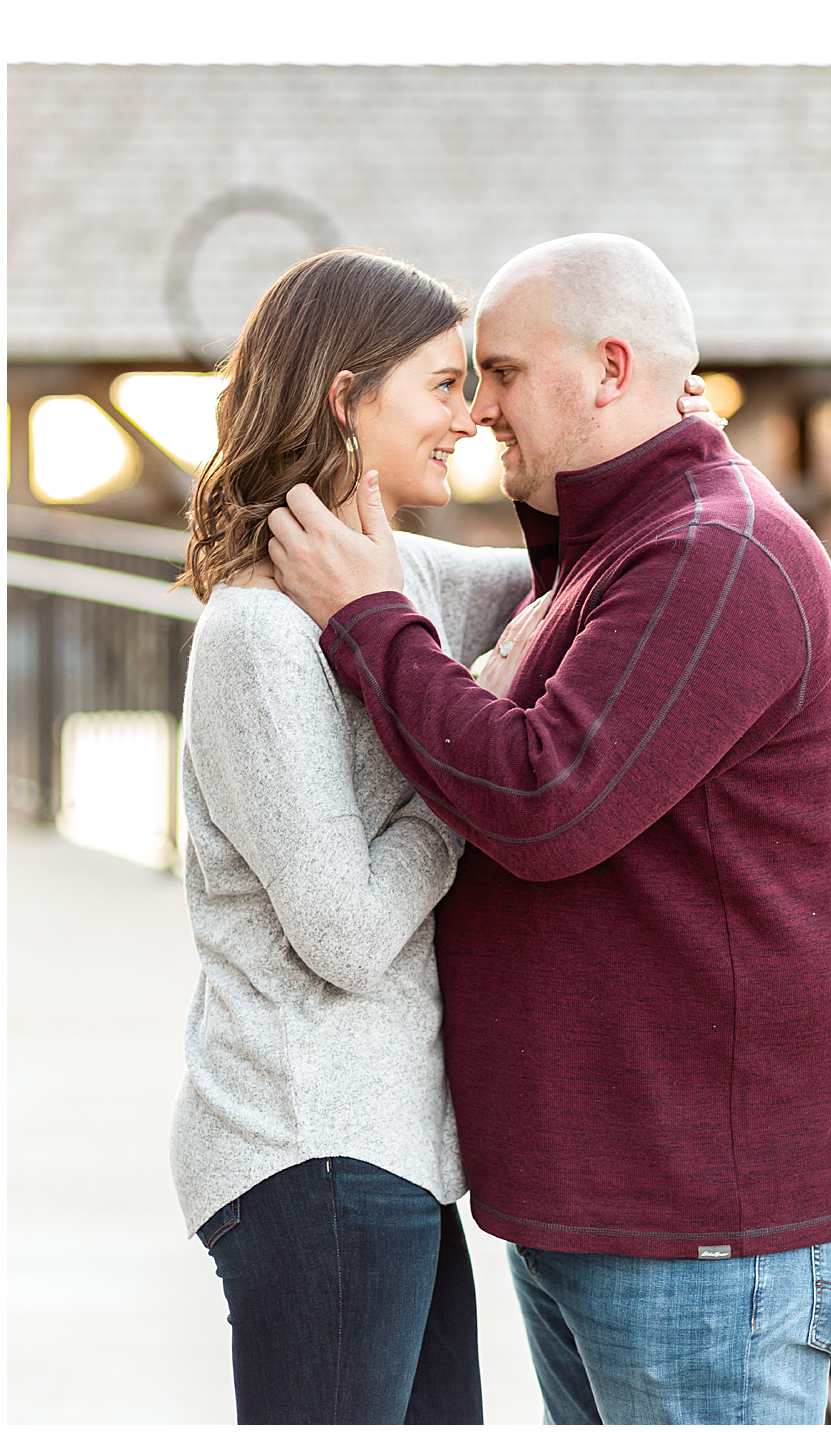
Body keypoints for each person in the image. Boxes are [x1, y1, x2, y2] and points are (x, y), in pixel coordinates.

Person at [266, 233, 831, 1425]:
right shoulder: (612, 547)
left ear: (611, 369)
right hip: (627, 1209)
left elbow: (540, 798)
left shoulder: (708, 552)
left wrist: (365, 618)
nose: (479, 408)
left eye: (501, 372)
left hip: (710, 1233)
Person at [170, 246, 711, 1423]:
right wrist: (469, 776)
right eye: (439, 385)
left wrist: (668, 429)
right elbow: (350, 933)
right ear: (344, 398)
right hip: (305, 1144)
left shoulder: (405, 571)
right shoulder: (259, 637)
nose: (470, 416)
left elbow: (582, 580)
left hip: (390, 1152)